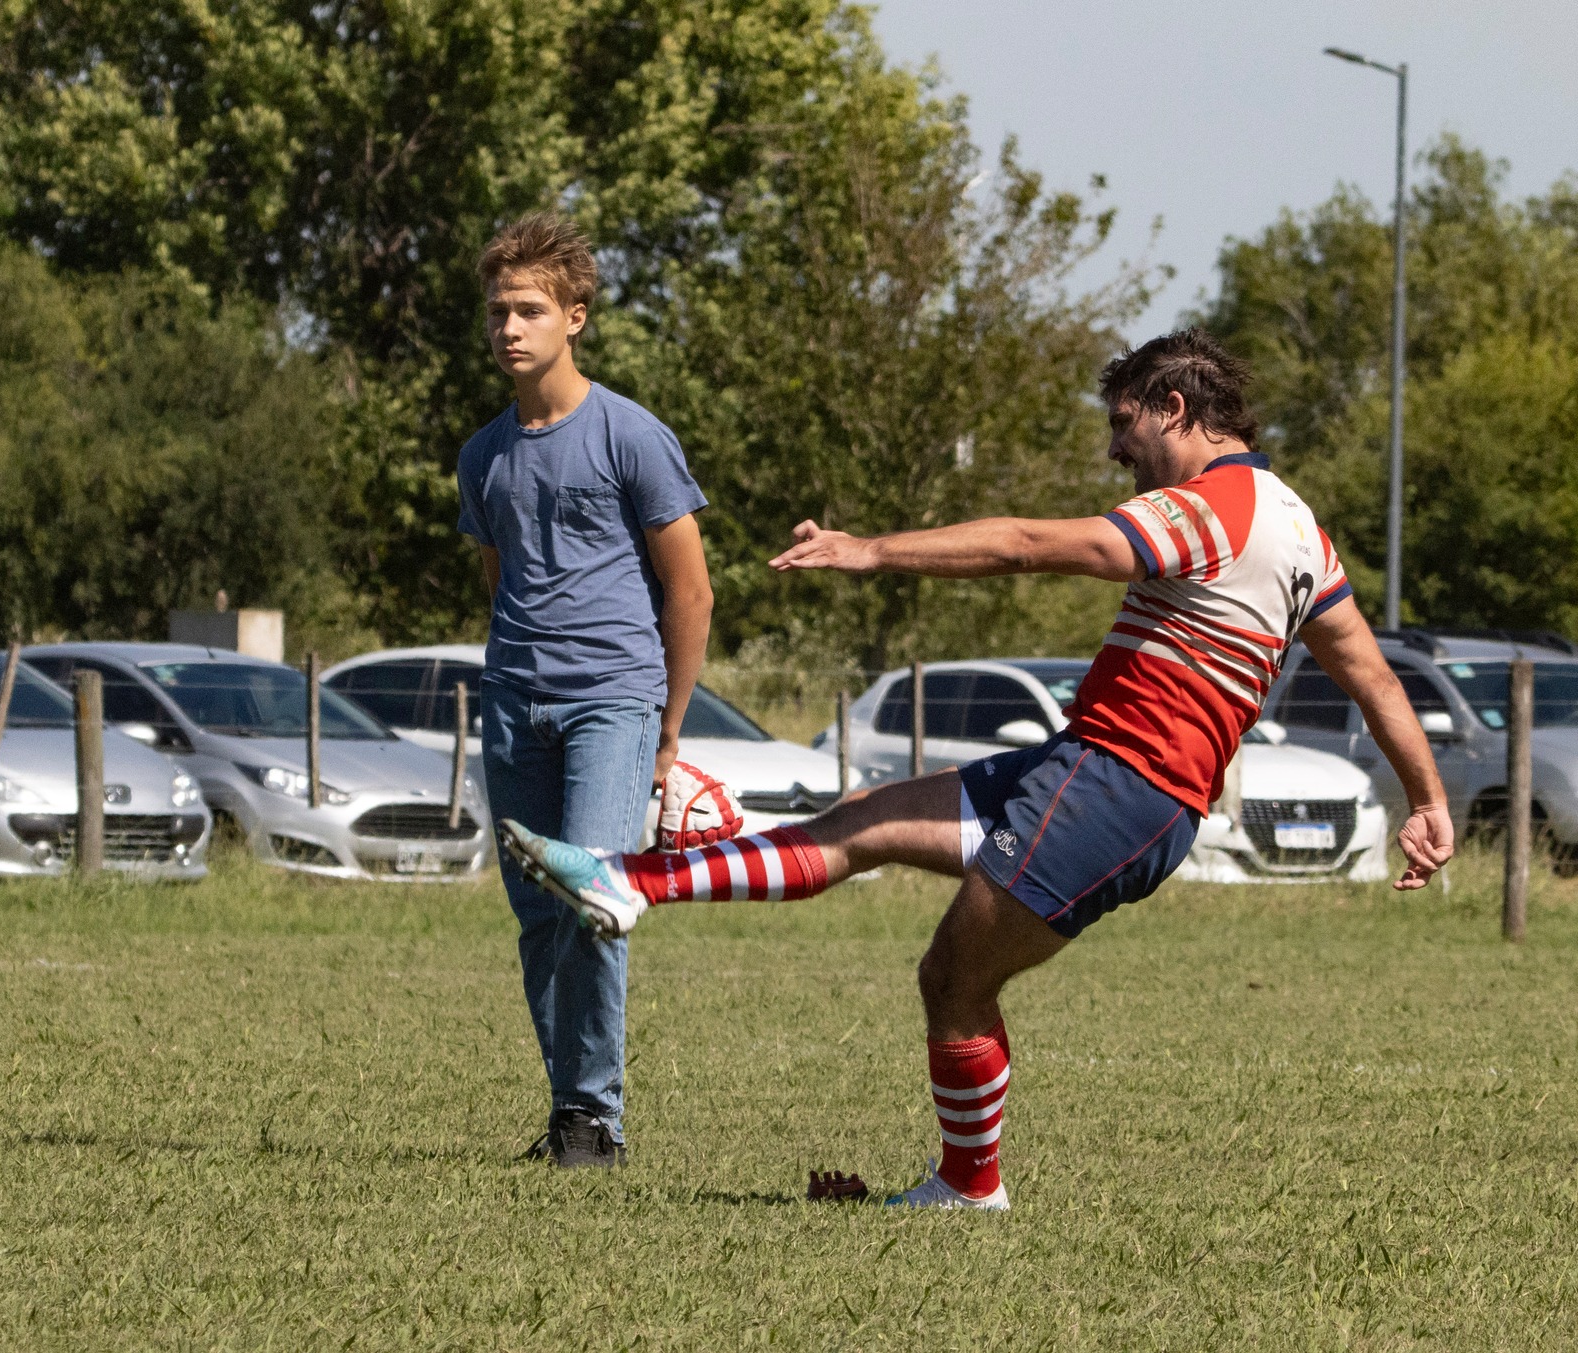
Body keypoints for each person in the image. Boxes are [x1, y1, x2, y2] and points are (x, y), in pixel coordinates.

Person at [500, 328, 1454, 1203]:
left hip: (1122, 787)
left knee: (954, 978)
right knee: (861, 821)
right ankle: (629, 881)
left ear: (1176, 409)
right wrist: (1427, 797)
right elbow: (1367, 667)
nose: (1117, 451)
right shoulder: (1297, 525)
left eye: (1125, 426)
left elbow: (1036, 546)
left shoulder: (1212, 505)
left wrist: (871, 550)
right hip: (1094, 770)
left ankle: (969, 1190)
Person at [458, 212, 713, 1167]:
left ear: (575, 318)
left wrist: (666, 728)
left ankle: (596, 1118)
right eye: (498, 311)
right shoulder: (482, 454)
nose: (509, 328)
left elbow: (690, 588)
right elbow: (500, 580)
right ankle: (572, 1109)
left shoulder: (631, 434)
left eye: (529, 309)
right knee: (537, 918)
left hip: (615, 697)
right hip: (514, 702)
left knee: (596, 897)